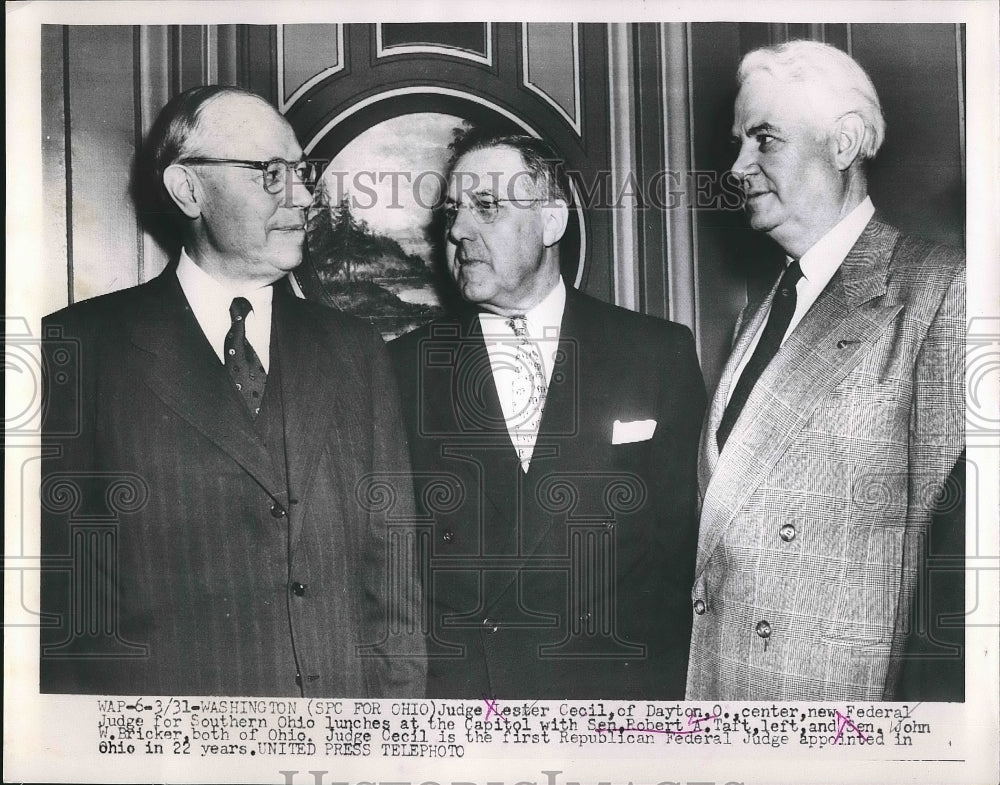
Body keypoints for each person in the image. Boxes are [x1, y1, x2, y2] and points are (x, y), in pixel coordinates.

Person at [40, 85, 425, 697]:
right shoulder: (77, 349)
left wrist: (393, 729)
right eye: (270, 173)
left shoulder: (356, 350)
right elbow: (54, 606)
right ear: (187, 188)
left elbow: (393, 584)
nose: (303, 197)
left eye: (300, 172)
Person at [687, 40, 965, 700]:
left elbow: (957, 566)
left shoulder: (938, 291)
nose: (737, 167)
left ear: (842, 144)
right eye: (737, 143)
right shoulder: (759, 315)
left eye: (764, 139)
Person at [390, 131, 706, 699]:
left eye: (487, 206)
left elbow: (682, 560)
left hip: (613, 705)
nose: (458, 231)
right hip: (468, 710)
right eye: (453, 212)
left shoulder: (657, 354)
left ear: (552, 222)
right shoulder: (400, 371)